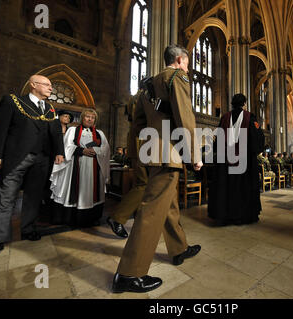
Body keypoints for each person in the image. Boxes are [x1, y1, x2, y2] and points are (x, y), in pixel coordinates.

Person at [112, 44, 202, 293]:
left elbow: (138, 123)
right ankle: (129, 273)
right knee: (152, 211)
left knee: (168, 204)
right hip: (169, 151)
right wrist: (194, 154)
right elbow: (185, 117)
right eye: (187, 61)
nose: (188, 66)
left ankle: (179, 247)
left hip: (152, 150)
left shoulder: (148, 86)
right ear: (181, 60)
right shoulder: (177, 77)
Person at [0, 75, 64, 260]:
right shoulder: (13, 101)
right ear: (33, 85)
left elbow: (56, 132)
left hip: (42, 158)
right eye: (47, 85)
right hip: (17, 157)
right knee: (7, 197)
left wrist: (59, 152)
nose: (51, 88)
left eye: (51, 86)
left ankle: (28, 229)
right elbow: (0, 128)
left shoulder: (50, 109)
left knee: (33, 197)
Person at [208, 93, 265, 225]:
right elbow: (258, 138)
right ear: (244, 103)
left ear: (232, 104)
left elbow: (218, 140)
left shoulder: (224, 118)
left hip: (226, 163)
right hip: (245, 163)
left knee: (226, 188)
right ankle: (243, 215)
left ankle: (225, 215)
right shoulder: (250, 117)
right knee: (243, 188)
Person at [50, 109, 110, 227]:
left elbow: (106, 149)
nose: (89, 119)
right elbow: (67, 145)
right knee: (74, 189)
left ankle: (91, 218)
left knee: (92, 190)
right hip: (74, 166)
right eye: (87, 116)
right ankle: (71, 219)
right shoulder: (73, 130)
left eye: (92, 117)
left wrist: (95, 150)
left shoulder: (100, 133)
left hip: (94, 168)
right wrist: (81, 150)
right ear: (82, 118)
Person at [106, 85, 147, 239]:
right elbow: (141, 121)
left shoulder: (136, 97)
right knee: (143, 185)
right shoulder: (142, 97)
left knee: (140, 184)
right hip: (141, 144)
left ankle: (138, 221)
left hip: (137, 145)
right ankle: (117, 218)